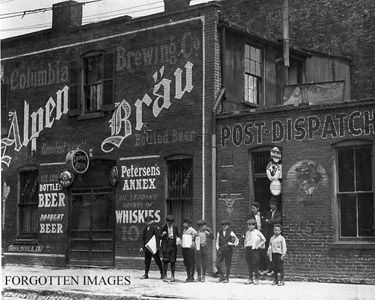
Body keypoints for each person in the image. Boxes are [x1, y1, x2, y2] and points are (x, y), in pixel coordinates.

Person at [244, 218, 266, 285]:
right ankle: (250, 278)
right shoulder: (247, 232)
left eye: (250, 225)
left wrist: (259, 245)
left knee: (255, 264)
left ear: (254, 225)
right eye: (248, 225)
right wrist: (245, 246)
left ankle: (256, 278)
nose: (249, 226)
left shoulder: (257, 232)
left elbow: (264, 239)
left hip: (255, 249)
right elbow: (245, 241)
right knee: (249, 264)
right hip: (248, 248)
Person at [264, 197, 282, 275]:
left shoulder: (279, 213)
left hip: (276, 235)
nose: (271, 206)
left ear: (276, 205)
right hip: (269, 234)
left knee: (276, 252)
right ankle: (269, 268)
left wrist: (270, 221)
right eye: (271, 204)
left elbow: (278, 221)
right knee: (269, 252)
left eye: (273, 204)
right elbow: (265, 221)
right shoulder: (268, 213)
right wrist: (270, 221)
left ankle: (276, 270)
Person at [249, 201, 267, 273]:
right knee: (255, 252)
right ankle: (257, 269)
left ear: (258, 208)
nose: (252, 210)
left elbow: (266, 224)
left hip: (262, 235)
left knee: (262, 251)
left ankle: (263, 268)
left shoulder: (263, 215)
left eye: (254, 208)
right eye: (252, 208)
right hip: (255, 235)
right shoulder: (250, 216)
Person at [161, 215, 179, 282]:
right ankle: (165, 275)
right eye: (169, 222)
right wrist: (163, 234)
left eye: (171, 222)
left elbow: (177, 234)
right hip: (166, 244)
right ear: (167, 222)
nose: (170, 224)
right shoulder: (163, 227)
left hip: (173, 245)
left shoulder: (175, 226)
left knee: (173, 261)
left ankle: (172, 276)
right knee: (165, 261)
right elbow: (160, 237)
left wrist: (177, 238)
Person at [181, 218, 197, 282]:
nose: (183, 224)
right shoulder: (184, 230)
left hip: (190, 248)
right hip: (185, 247)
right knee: (186, 261)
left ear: (188, 223)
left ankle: (191, 276)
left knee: (191, 262)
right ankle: (188, 275)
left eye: (185, 223)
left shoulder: (192, 230)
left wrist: (193, 241)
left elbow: (196, 235)